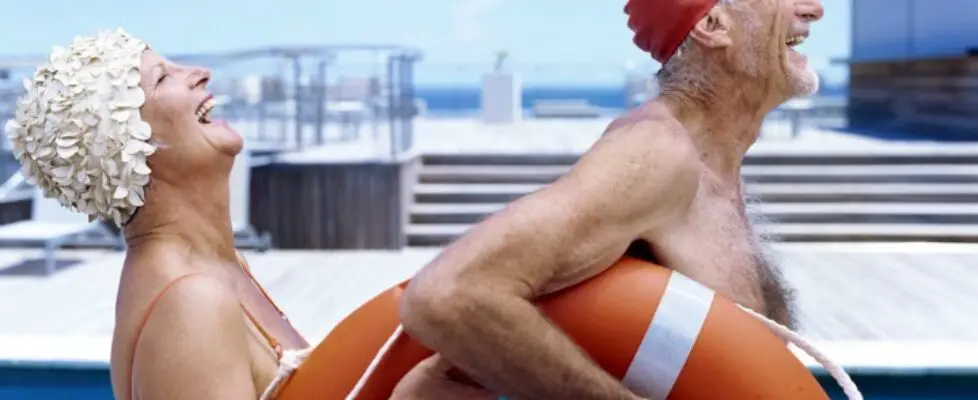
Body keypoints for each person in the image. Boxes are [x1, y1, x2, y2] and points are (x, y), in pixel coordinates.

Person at [5, 28, 491, 399]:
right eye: (162, 77)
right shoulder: (188, 306)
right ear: (128, 147)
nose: (198, 71)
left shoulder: (216, 270)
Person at [398, 0, 826, 399]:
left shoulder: (711, 160)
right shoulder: (654, 153)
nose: (815, 9)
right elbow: (450, 292)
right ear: (712, 26)